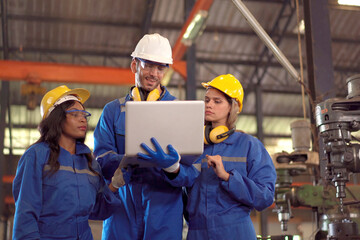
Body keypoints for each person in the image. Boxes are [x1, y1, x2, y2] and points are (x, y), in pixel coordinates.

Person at [94, 33, 198, 240]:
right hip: (122, 205)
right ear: (135, 65)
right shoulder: (113, 111)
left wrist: (172, 168)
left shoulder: (181, 111)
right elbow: (101, 159)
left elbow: (193, 172)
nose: (154, 74)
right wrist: (124, 164)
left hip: (164, 209)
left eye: (160, 68)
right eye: (148, 66)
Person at [148, 74, 276, 239]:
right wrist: (171, 168)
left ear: (232, 107)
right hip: (196, 231)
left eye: (217, 101)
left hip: (236, 231)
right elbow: (183, 180)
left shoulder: (249, 145)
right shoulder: (192, 143)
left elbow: (265, 197)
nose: (209, 105)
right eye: (207, 100)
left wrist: (228, 178)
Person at [12, 85, 124, 240]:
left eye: (84, 114)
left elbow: (98, 210)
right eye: (75, 114)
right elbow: (26, 214)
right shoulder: (37, 156)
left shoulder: (89, 161)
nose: (83, 118)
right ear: (56, 117)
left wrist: (114, 185)